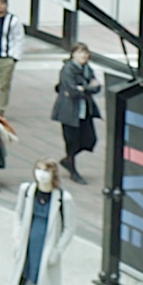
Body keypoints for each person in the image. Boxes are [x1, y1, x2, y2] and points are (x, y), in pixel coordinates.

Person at [53, 43, 104, 183]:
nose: (84, 56)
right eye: (81, 53)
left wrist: (84, 88)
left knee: (90, 139)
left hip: (85, 110)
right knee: (71, 141)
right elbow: (72, 90)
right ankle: (72, 168)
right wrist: (87, 88)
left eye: (86, 53)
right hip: (69, 111)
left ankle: (67, 160)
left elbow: (97, 87)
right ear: (73, 54)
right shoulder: (67, 70)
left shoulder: (88, 69)